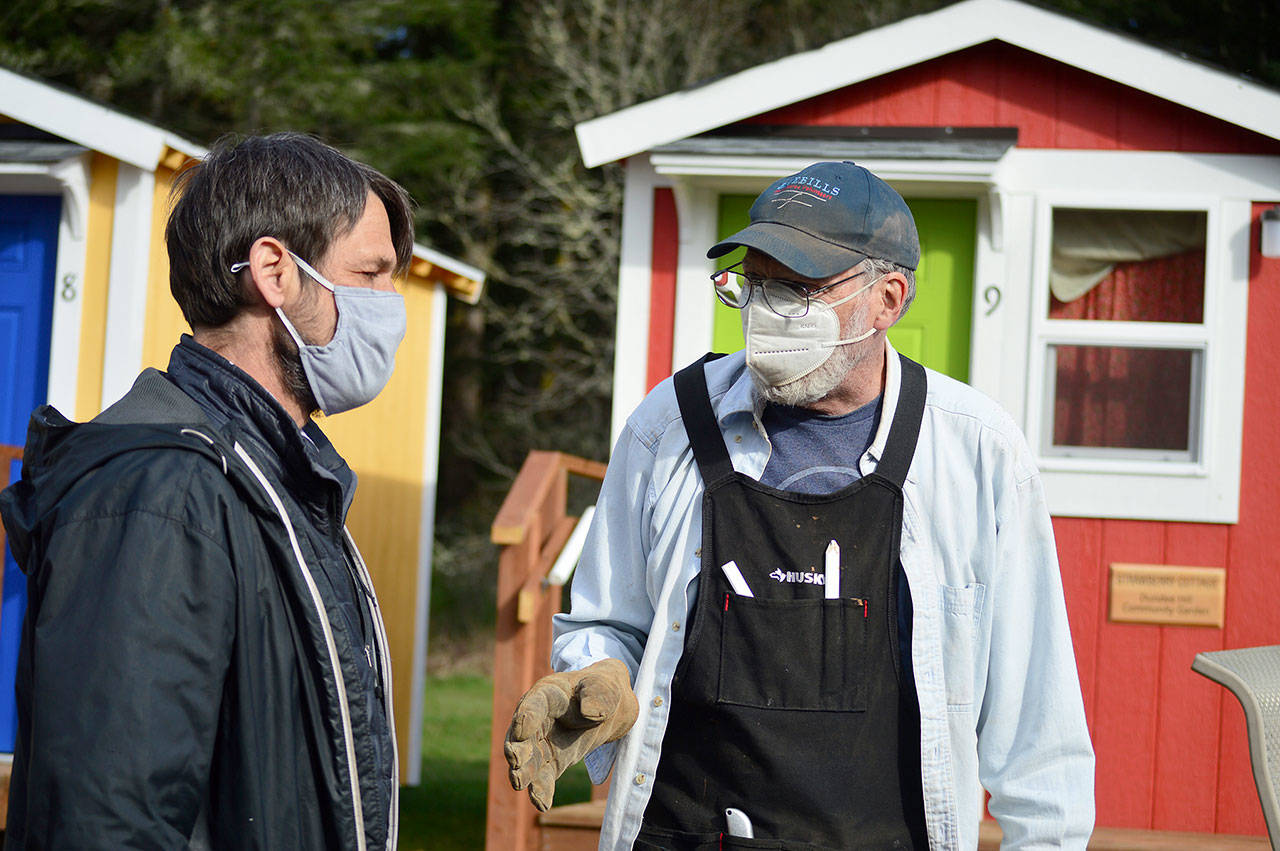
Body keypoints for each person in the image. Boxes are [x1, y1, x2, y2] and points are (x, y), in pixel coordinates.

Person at [505, 161, 1095, 849]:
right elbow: (610, 620)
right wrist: (596, 672)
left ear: (889, 298)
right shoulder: (670, 426)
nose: (766, 310)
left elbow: (1037, 729)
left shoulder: (977, 454)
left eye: (798, 287)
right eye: (754, 283)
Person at [0, 133, 414, 850]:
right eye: (371, 274)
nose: (389, 305)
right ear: (274, 271)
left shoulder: (278, 477)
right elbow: (107, 818)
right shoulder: (160, 494)